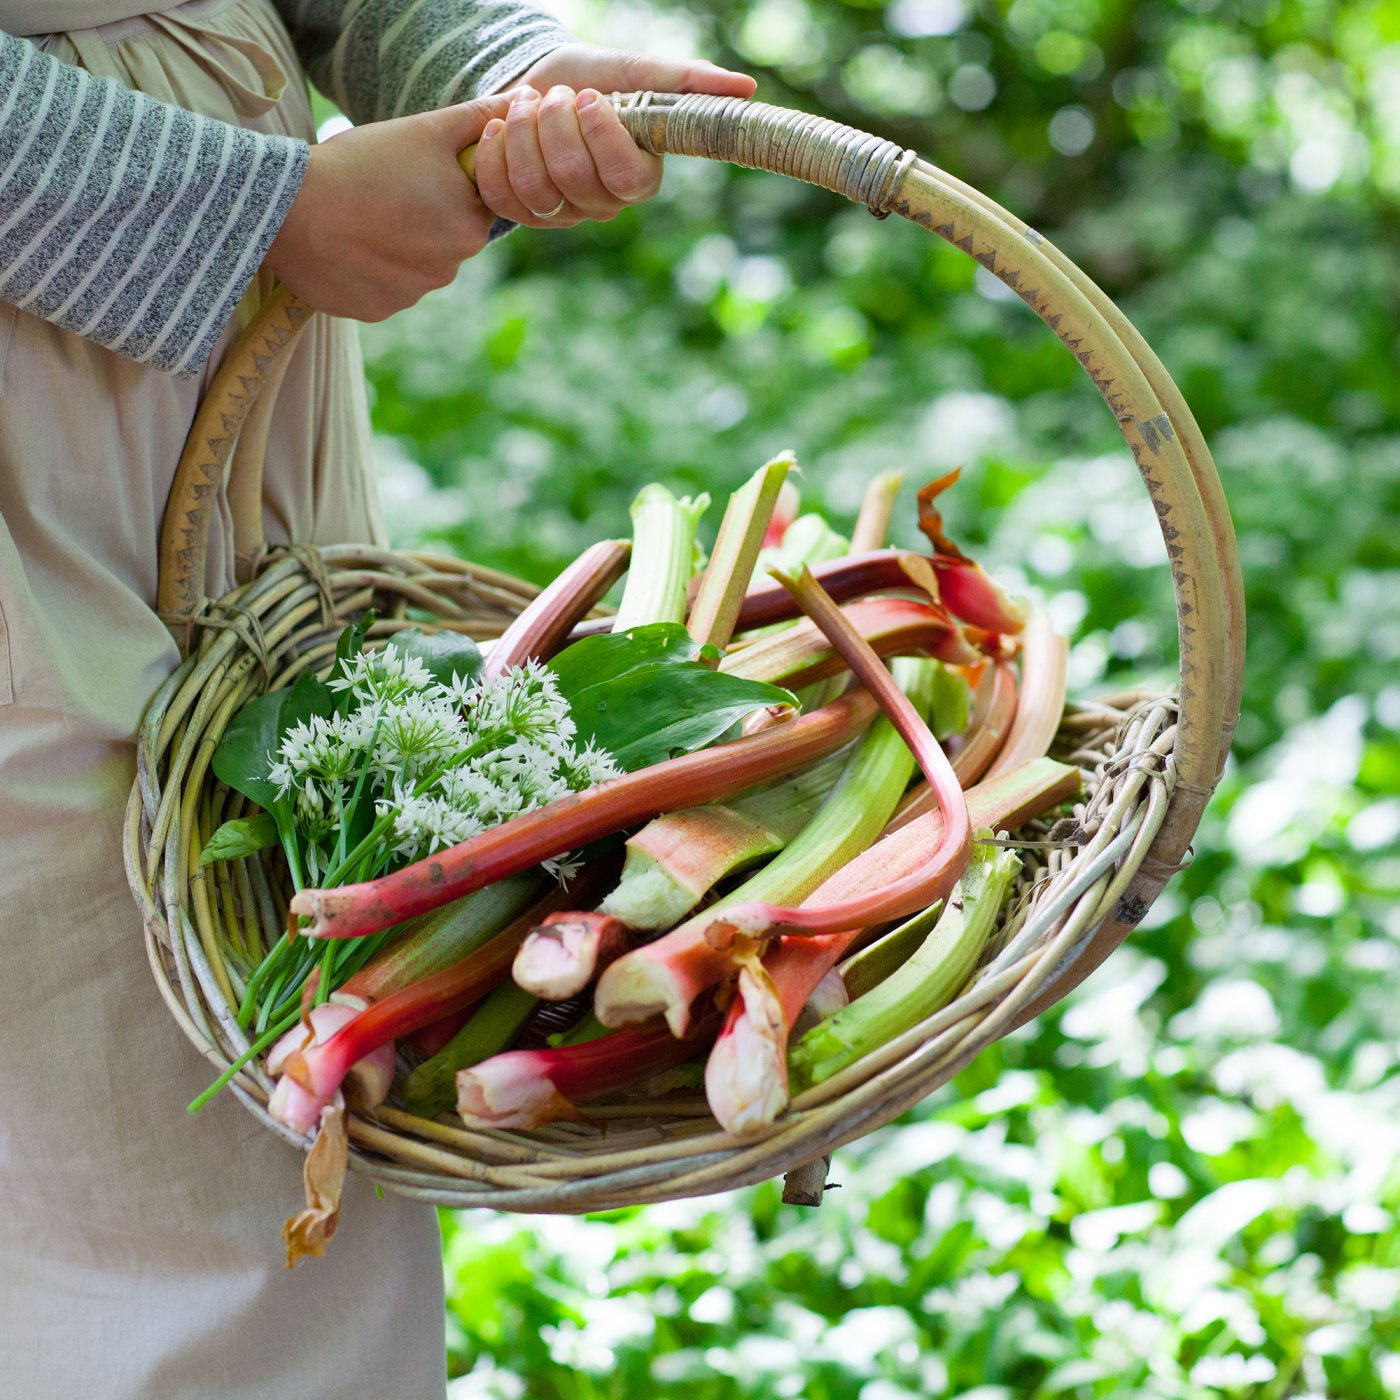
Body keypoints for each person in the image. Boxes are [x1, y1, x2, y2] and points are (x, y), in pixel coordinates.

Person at [0, 4, 753, 1395]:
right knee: (101, 1126)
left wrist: (496, 72)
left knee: (274, 1168)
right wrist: (245, 210)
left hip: (224, 414)